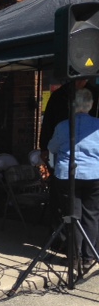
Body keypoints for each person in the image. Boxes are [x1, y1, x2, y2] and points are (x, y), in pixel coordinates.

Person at [48, 88, 99, 274]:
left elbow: (52, 147)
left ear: (73, 105)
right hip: (94, 175)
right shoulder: (98, 125)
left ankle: (74, 257)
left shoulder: (63, 126)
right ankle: (88, 258)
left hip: (68, 175)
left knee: (72, 215)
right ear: (90, 105)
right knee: (92, 215)